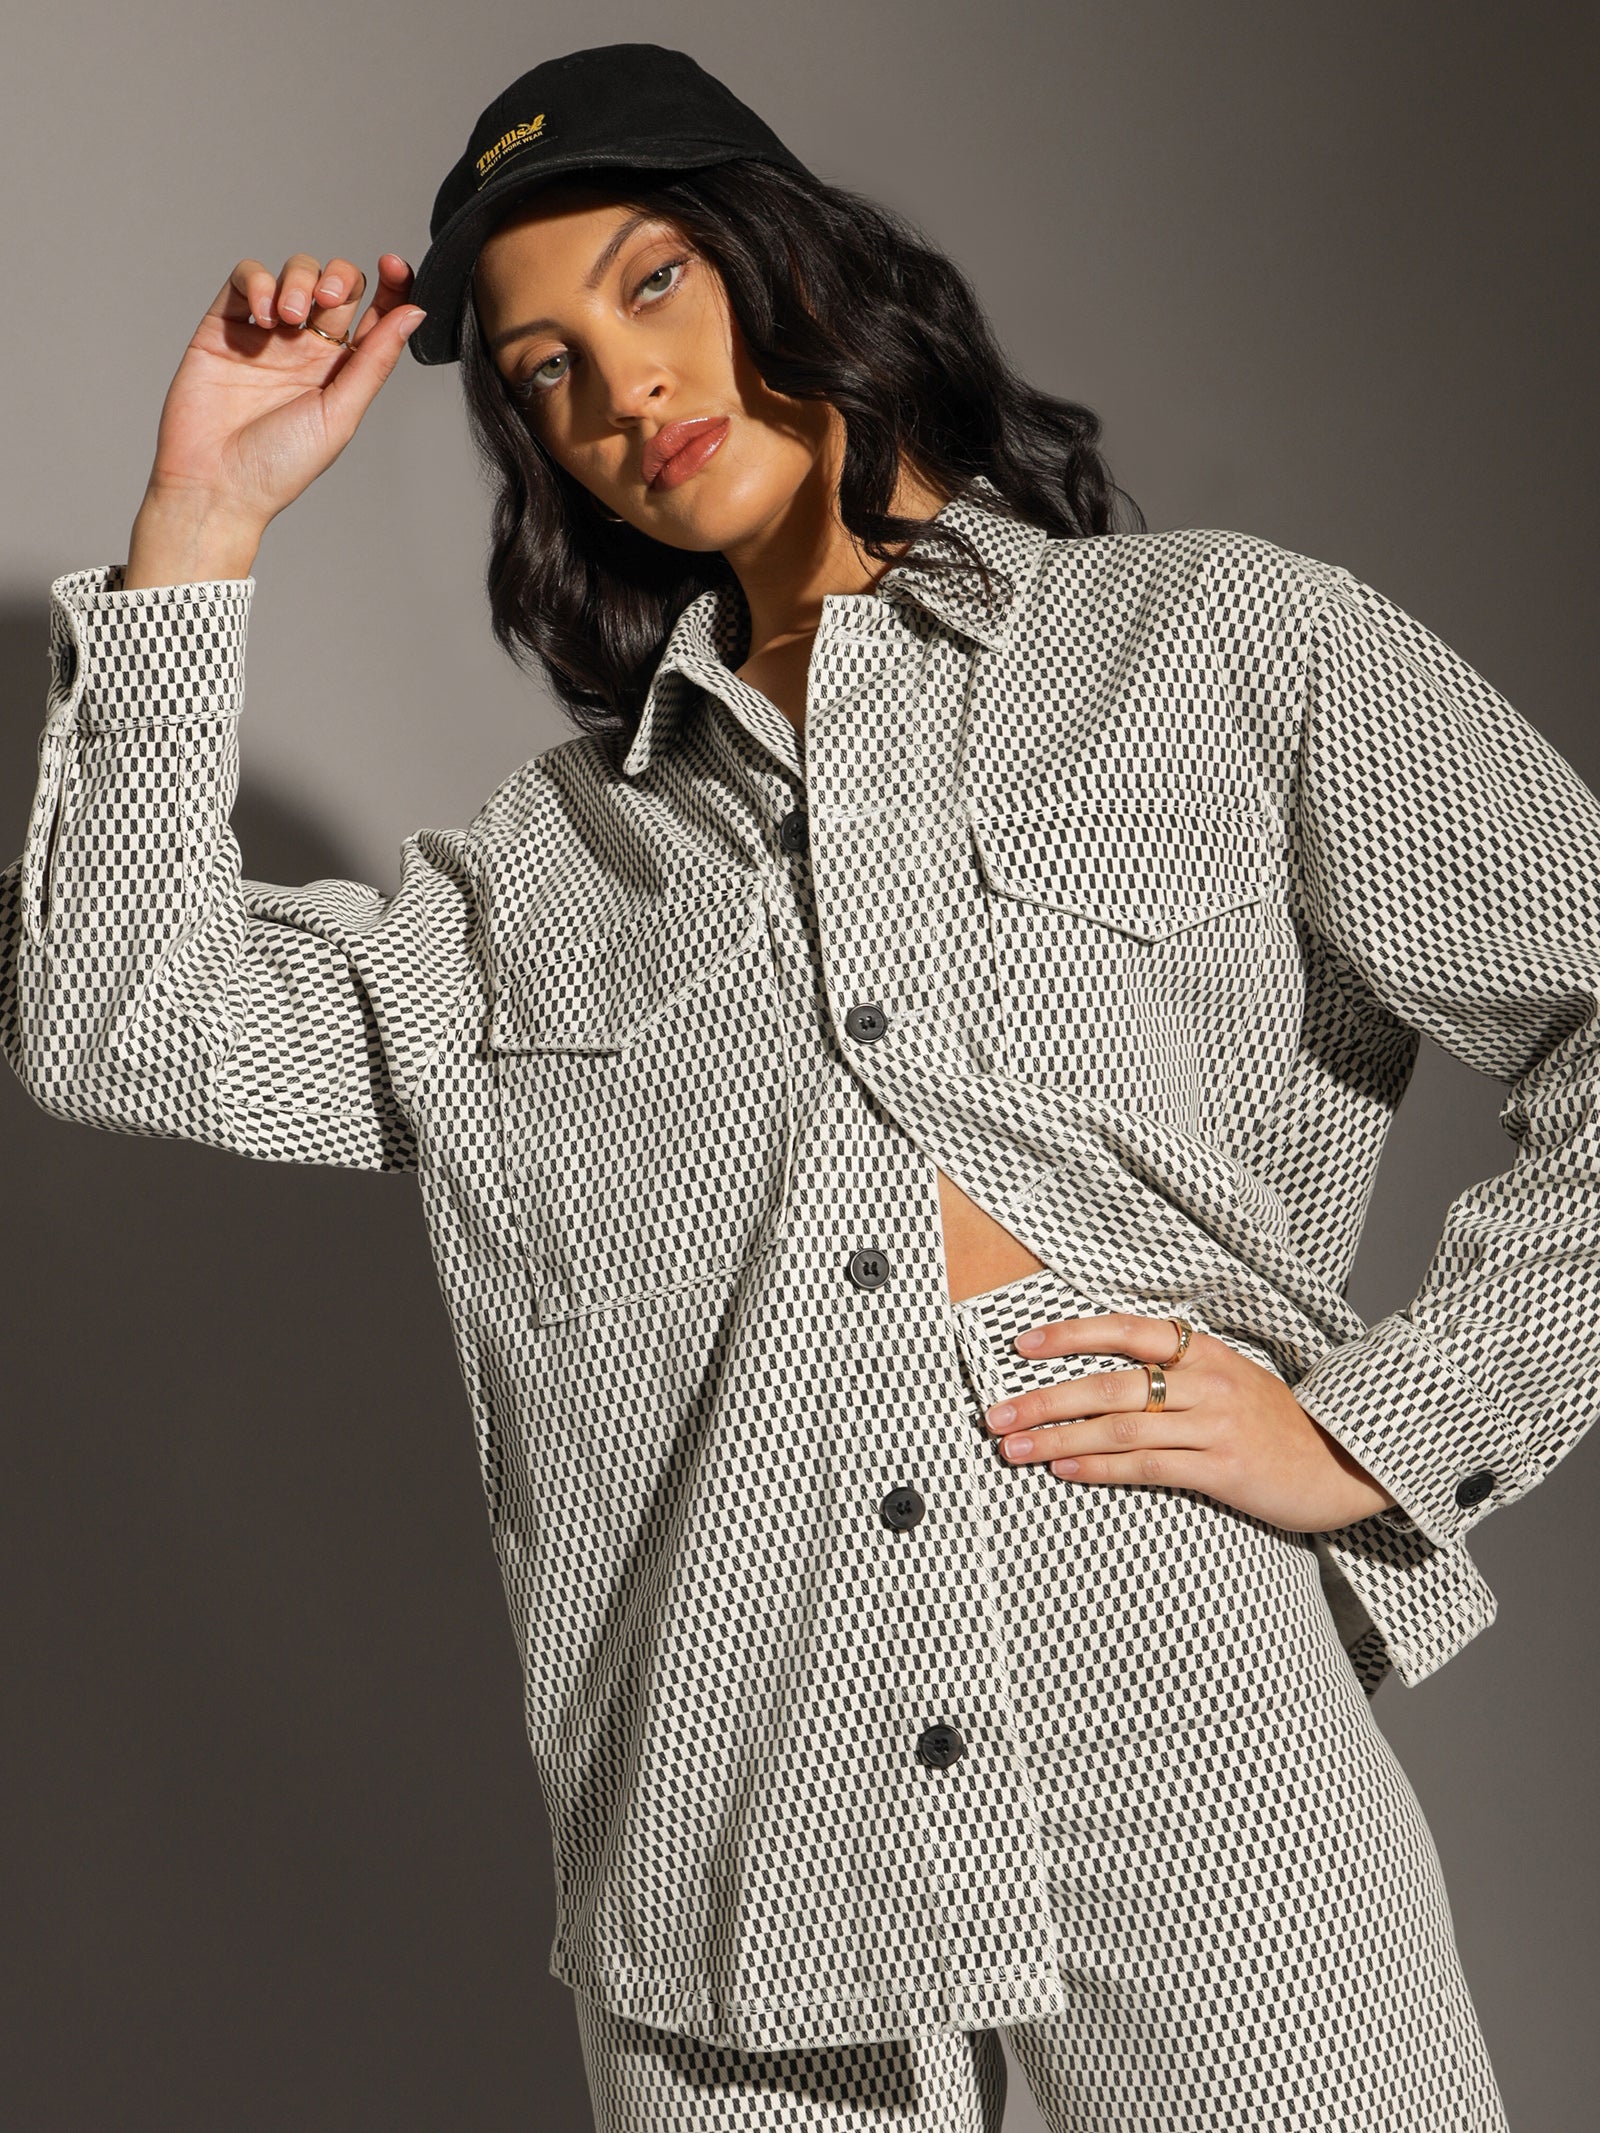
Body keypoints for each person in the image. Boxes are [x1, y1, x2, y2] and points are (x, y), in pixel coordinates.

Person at [5, 37, 1595, 2132]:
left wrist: (1381, 1429)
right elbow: (123, 1012)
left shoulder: (1218, 645)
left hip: (1183, 1699)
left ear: (794, 259)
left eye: (654, 283)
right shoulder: (547, 867)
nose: (621, 390)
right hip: (734, 1803)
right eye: (545, 372)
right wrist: (203, 512)